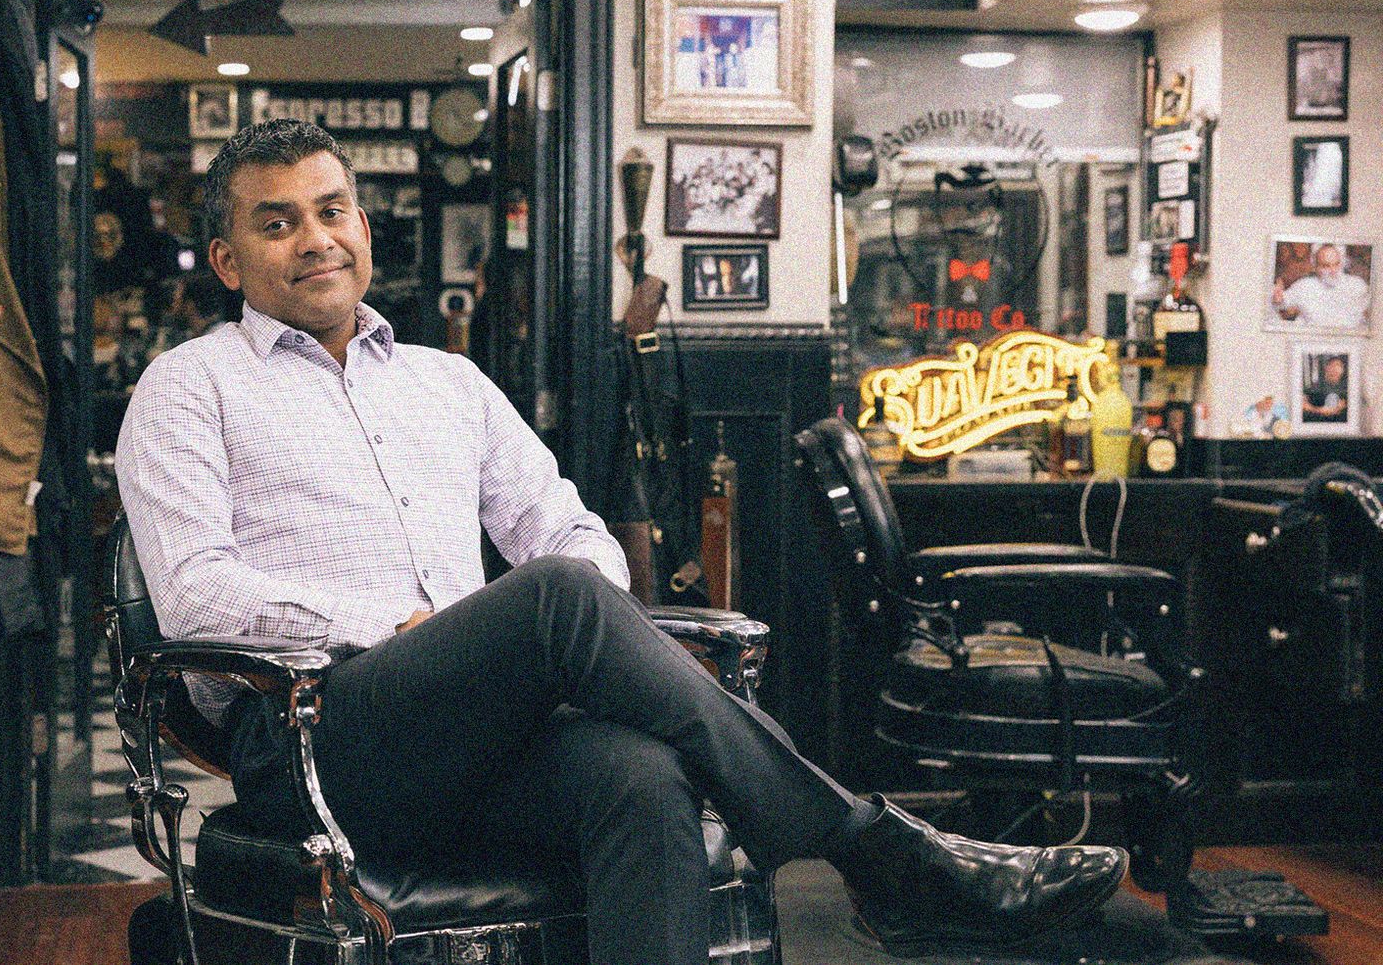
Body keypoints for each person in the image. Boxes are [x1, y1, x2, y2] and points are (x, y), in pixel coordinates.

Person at [116, 119, 1125, 965]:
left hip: (477, 736)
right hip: (316, 732)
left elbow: (569, 529)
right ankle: (879, 854)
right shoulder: (188, 387)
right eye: (277, 222)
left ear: (363, 225)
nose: (315, 239)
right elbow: (198, 593)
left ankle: (877, 857)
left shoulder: (445, 382)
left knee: (638, 772)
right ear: (228, 259)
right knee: (555, 597)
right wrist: (399, 626)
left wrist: (570, 647)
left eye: (331, 210)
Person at [1274, 241, 1369, 329]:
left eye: (1336, 264)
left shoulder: (1357, 285)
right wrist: (1277, 299)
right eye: (1326, 266)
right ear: (1315, 266)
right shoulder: (1304, 286)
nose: (1333, 271)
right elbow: (1281, 302)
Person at [1302, 355, 1350, 423]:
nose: (1336, 369)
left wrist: (1312, 409)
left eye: (1339, 366)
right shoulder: (1314, 387)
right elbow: (1303, 404)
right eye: (1333, 365)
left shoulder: (1346, 390)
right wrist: (1319, 410)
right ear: (1326, 367)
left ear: (1343, 370)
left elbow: (1334, 411)